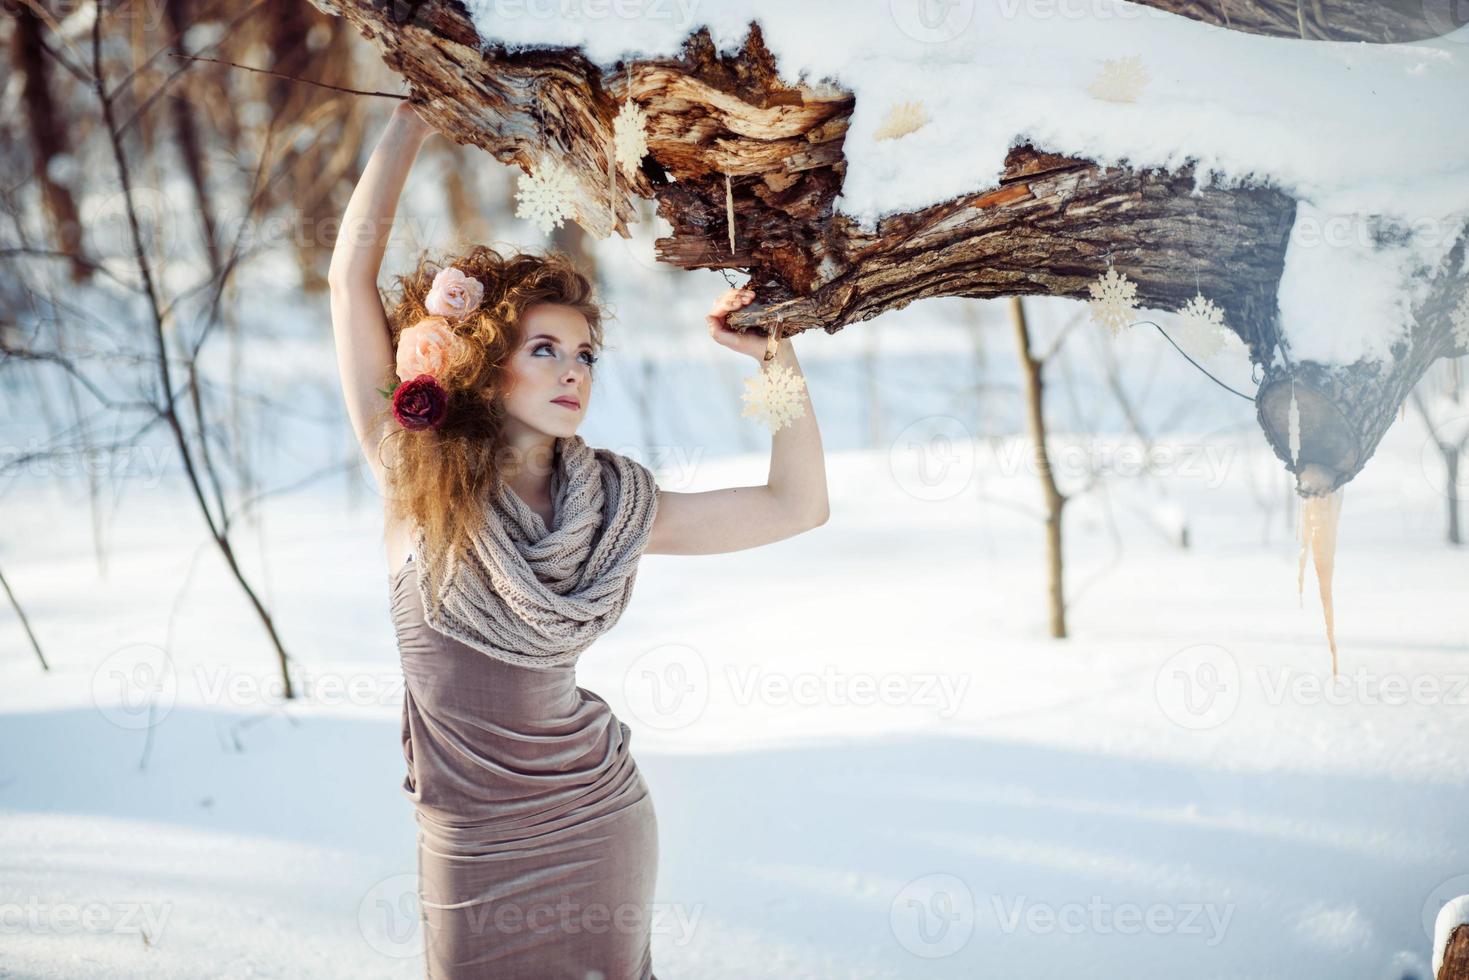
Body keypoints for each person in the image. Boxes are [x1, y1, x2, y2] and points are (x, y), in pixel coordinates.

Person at [326, 99, 830, 979]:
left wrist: (776, 358)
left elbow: (795, 506)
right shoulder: (418, 484)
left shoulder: (609, 510)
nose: (572, 372)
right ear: (484, 361)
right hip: (471, 847)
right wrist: (415, 110)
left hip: (596, 821)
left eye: (585, 354)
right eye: (545, 350)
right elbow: (348, 279)